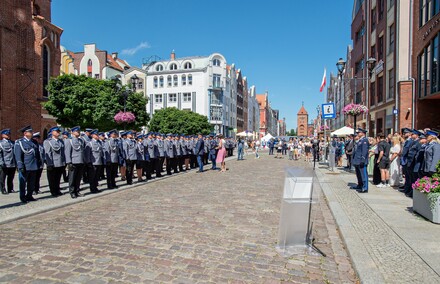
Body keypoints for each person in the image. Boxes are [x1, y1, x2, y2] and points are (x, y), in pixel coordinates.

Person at [14, 125, 39, 204]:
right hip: (25, 166)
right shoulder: (20, 142)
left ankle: (29, 195)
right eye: (30, 132)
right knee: (23, 183)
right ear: (25, 133)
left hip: (33, 165)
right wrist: (20, 166)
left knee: (31, 183)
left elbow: (37, 154)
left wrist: (38, 163)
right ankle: (23, 197)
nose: (32, 133)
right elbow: (18, 155)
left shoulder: (34, 142)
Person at [44, 126, 66, 197]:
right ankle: (53, 191)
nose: (58, 133)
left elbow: (63, 153)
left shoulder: (61, 141)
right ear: (52, 132)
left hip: (60, 163)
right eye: (57, 131)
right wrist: (49, 164)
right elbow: (48, 153)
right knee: (52, 179)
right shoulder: (48, 141)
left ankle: (57, 190)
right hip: (53, 163)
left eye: (59, 132)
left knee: (58, 178)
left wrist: (64, 162)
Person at [64, 126, 86, 198]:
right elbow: (67, 152)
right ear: (72, 132)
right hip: (73, 162)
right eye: (77, 131)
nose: (78, 133)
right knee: (72, 178)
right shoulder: (69, 141)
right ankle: (72, 192)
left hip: (80, 161)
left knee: (78, 178)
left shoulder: (80, 141)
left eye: (79, 131)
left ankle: (77, 190)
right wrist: (69, 162)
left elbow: (82, 151)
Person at [351, 128, 369, 193]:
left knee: (363, 174)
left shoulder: (365, 140)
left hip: (361, 161)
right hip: (357, 160)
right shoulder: (360, 141)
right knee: (359, 174)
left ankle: (365, 187)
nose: (358, 134)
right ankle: (360, 185)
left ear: (363, 133)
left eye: (359, 132)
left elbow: (364, 151)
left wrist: (363, 159)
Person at [0, 128, 16, 195]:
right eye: (7, 134)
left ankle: (10, 188)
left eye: (9, 134)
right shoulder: (1, 143)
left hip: (12, 163)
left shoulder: (13, 143)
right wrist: (1, 162)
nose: (8, 135)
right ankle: (3, 189)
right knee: (2, 177)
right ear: (2, 135)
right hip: (5, 163)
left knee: (11, 177)